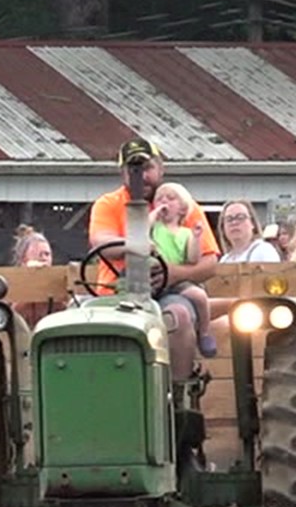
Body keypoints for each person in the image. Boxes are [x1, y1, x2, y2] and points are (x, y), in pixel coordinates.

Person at [87, 137, 220, 378]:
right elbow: (102, 242)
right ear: (123, 173)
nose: (142, 176)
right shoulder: (108, 204)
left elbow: (209, 263)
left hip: (171, 293)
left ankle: (179, 396)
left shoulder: (181, 204)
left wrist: (173, 274)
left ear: (161, 168)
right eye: (133, 170)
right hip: (116, 294)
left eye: (147, 168)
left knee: (177, 316)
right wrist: (136, 245)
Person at [148, 182, 216, 358]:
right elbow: (141, 231)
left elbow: (193, 258)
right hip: (154, 277)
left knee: (199, 296)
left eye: (170, 198)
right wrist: (154, 214)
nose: (164, 202)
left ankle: (205, 333)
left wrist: (196, 237)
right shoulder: (155, 228)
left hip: (178, 279)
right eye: (159, 199)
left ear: (182, 208)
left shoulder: (185, 233)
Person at [217, 201, 282, 264]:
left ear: (252, 223)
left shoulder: (264, 250)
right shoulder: (224, 260)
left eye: (240, 217)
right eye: (229, 219)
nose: (234, 222)